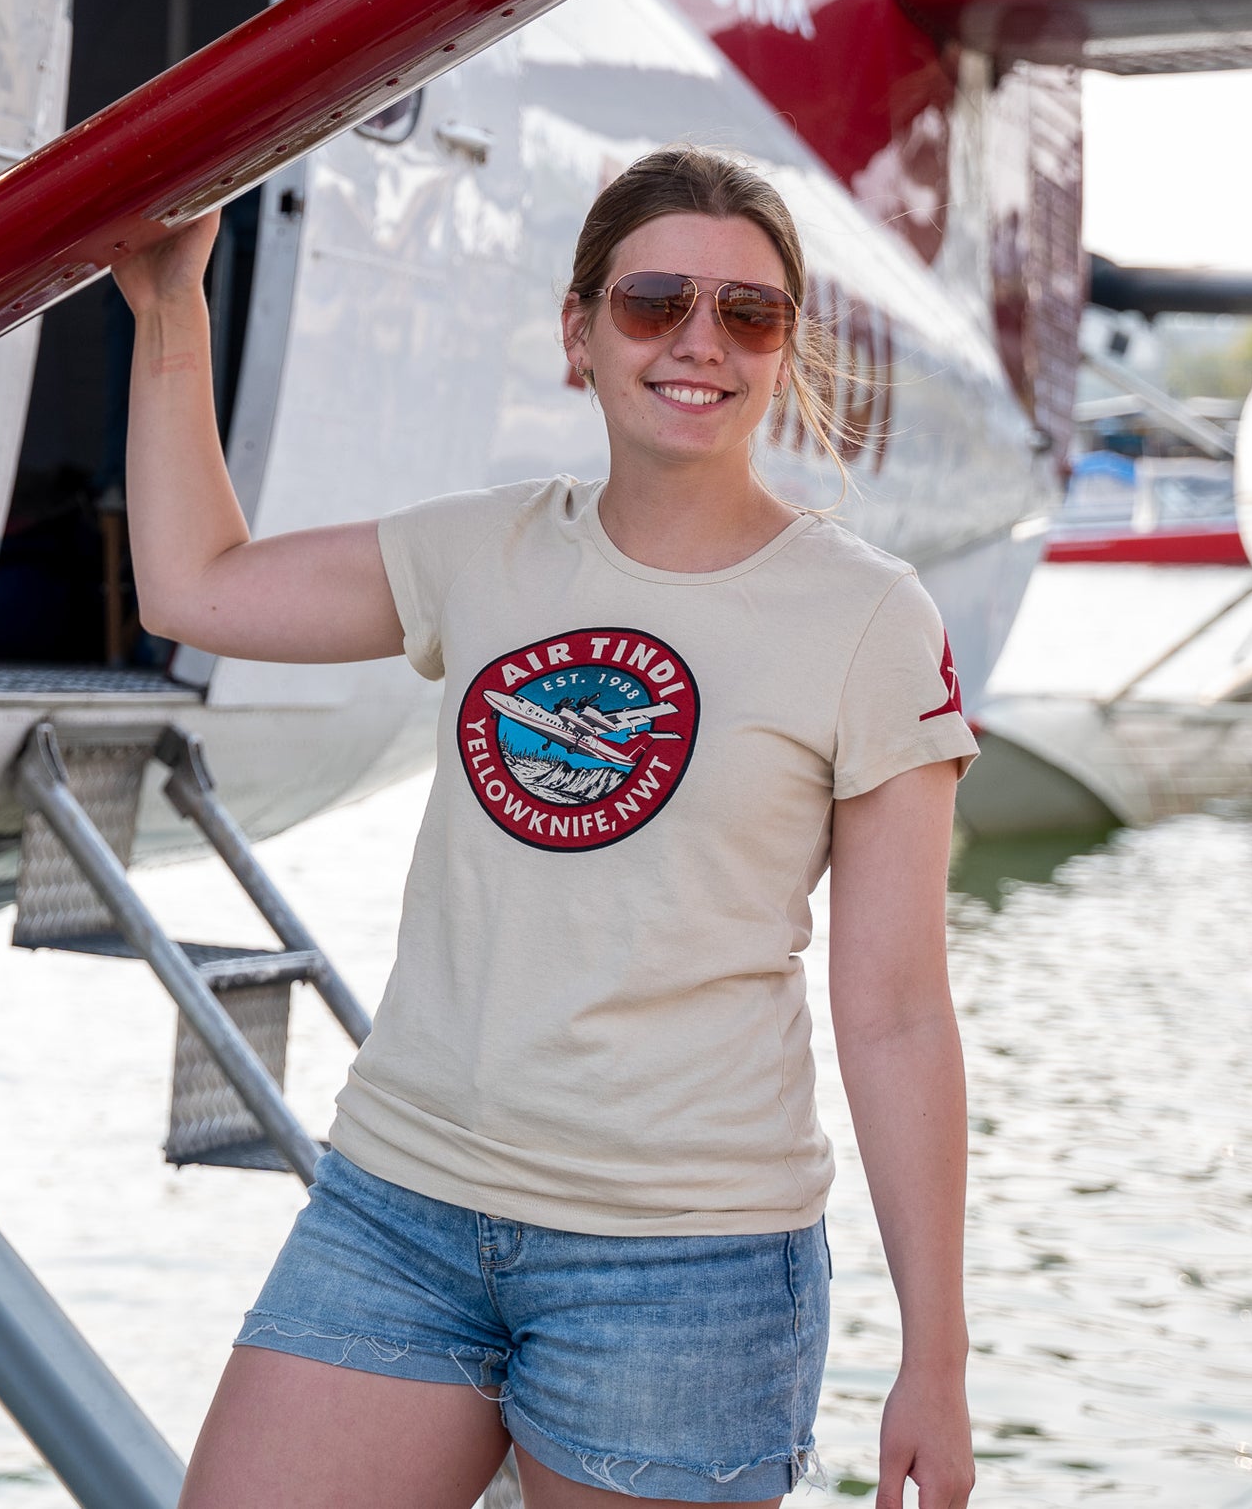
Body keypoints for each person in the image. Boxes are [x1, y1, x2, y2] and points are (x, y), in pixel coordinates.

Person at [114, 145, 979, 1509]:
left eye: (746, 314)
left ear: (780, 351)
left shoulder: (866, 618)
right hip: (400, 1208)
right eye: (653, 302)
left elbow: (892, 1013)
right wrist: (172, 308)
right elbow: (193, 586)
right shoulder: (486, 551)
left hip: (680, 1267)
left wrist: (935, 1354)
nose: (699, 342)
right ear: (578, 333)